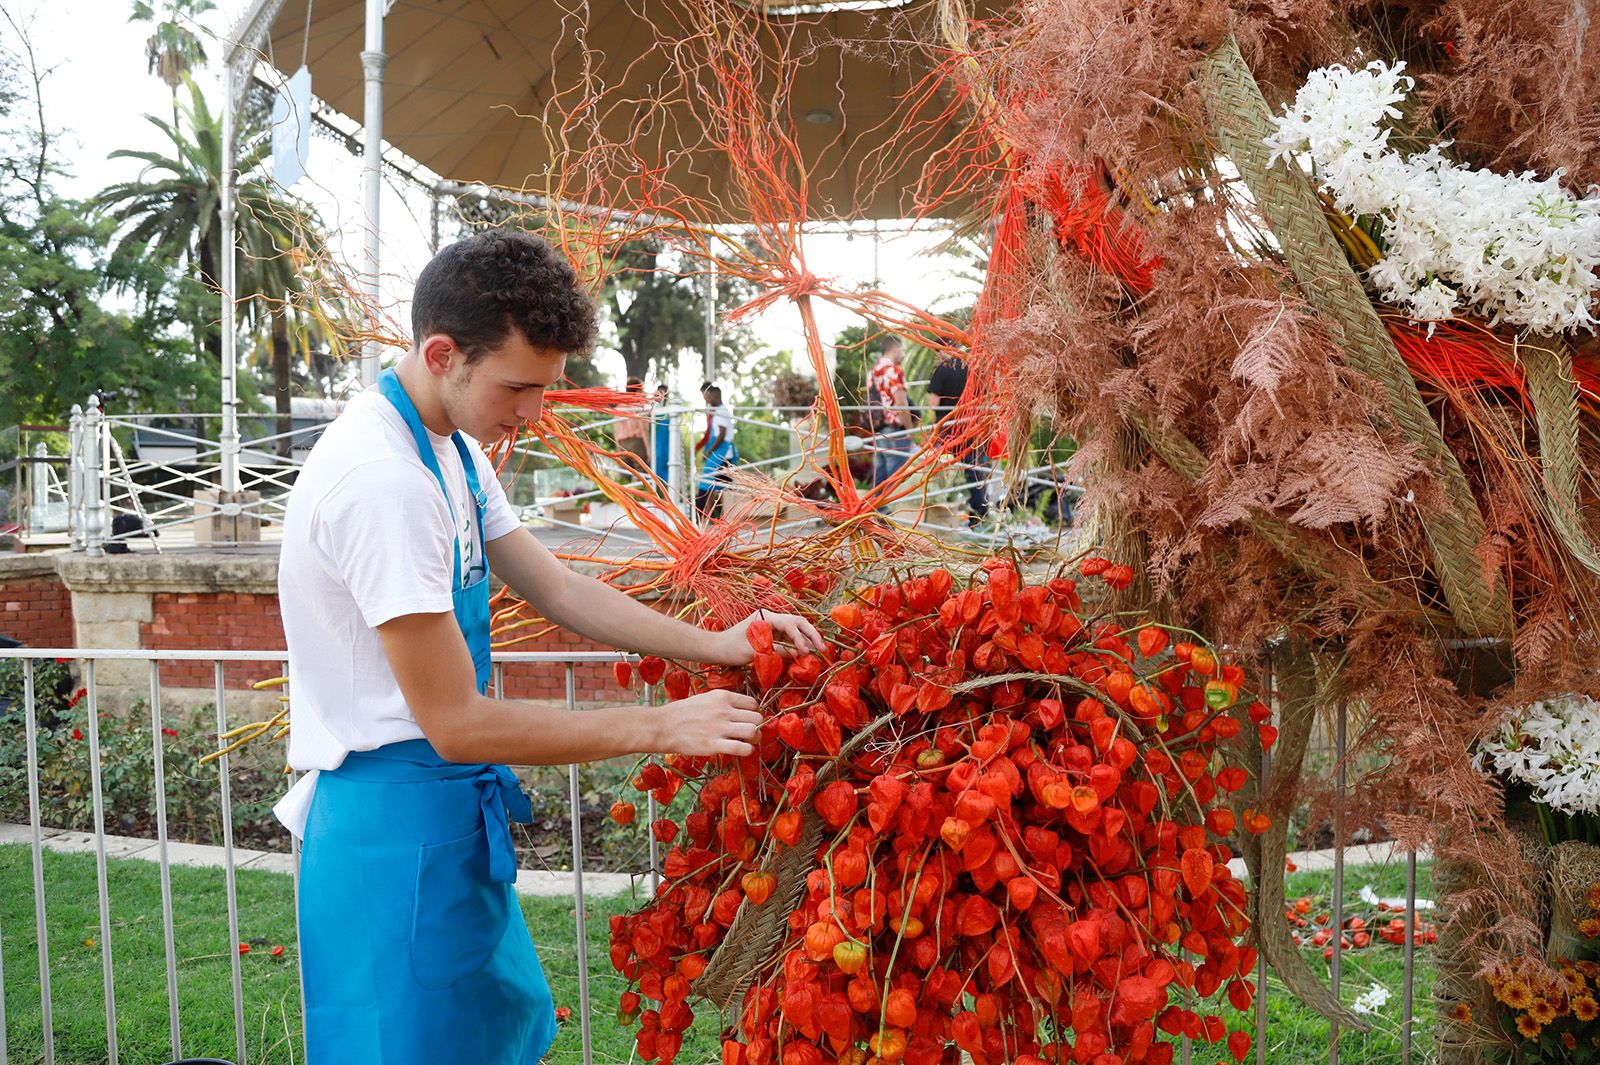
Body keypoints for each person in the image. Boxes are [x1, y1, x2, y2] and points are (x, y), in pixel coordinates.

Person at [273, 229, 823, 1065]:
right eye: (519, 387)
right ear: (443, 354)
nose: (533, 413)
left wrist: (717, 643)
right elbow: (457, 722)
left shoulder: (452, 448)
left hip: (445, 821)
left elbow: (559, 588)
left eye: (545, 387)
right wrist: (660, 726)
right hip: (390, 840)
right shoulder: (383, 481)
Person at [926, 351, 988, 525]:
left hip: (946, 429)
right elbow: (984, 399)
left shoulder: (942, 368)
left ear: (944, 349)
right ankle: (979, 518)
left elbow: (934, 402)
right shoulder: (973, 369)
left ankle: (934, 517)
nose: (936, 356)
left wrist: (931, 424)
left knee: (938, 471)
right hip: (969, 427)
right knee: (973, 473)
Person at [867, 335, 914, 486]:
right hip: (895, 430)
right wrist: (910, 429)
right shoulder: (893, 371)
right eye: (902, 350)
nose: (903, 354)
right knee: (896, 474)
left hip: (878, 427)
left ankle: (877, 501)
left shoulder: (873, 371)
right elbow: (901, 403)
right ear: (895, 349)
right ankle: (891, 502)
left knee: (880, 472)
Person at [696, 384, 737, 519]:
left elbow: (721, 435)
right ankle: (707, 517)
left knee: (719, 487)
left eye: (707, 396)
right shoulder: (717, 411)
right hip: (719, 454)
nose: (706, 399)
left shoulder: (721, 412)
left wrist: (709, 452)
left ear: (715, 395)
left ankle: (702, 516)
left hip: (722, 455)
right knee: (714, 486)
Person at [614, 376, 650, 478]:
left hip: (622, 444)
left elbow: (616, 430)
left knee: (625, 477)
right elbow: (643, 428)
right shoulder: (639, 404)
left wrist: (618, 448)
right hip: (637, 443)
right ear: (638, 390)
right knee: (642, 475)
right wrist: (649, 449)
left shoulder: (619, 407)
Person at [651, 383, 673, 484]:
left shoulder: (669, 411)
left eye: (663, 393)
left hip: (667, 444)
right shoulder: (652, 408)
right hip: (656, 443)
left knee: (667, 467)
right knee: (656, 467)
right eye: (659, 392)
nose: (660, 395)